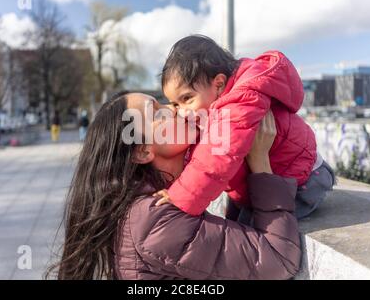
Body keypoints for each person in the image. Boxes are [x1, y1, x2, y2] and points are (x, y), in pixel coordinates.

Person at [48, 92, 301, 280]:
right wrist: (260, 162)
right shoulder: (155, 221)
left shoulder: (153, 203)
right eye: (158, 113)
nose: (175, 108)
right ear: (143, 150)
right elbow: (280, 259)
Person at [156, 35, 335, 219]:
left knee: (254, 228)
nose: (182, 111)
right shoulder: (207, 110)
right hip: (272, 175)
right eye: (176, 104)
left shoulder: (240, 100)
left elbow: (215, 158)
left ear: (218, 84)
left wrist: (180, 196)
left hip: (302, 181)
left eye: (187, 99)